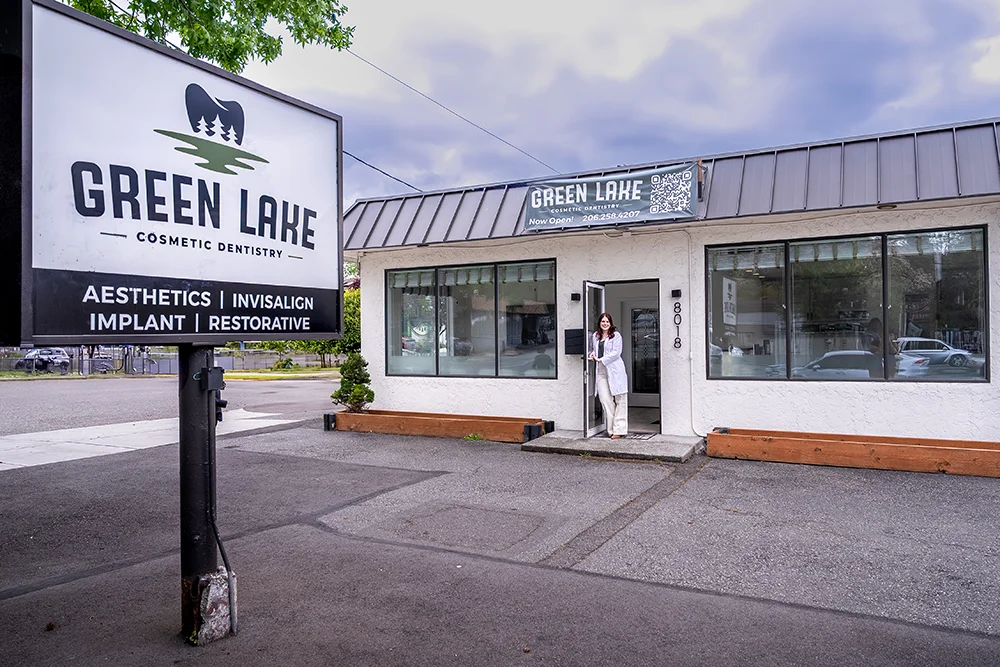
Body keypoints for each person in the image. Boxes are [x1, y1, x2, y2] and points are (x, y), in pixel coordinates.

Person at [589, 312, 628, 439]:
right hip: (601, 370)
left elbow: (616, 353)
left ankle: (619, 430)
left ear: (610, 323)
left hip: (615, 370)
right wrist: (592, 355)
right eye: (603, 321)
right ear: (599, 323)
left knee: (620, 400)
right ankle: (611, 428)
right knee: (605, 400)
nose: (605, 323)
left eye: (607, 321)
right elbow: (592, 350)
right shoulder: (595, 336)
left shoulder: (616, 336)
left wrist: (602, 359)